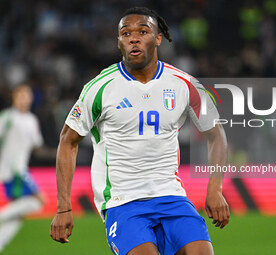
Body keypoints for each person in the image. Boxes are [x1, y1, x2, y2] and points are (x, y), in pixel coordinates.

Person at [50, 6, 229, 255]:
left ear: (157, 38)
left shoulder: (185, 85)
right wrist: (63, 207)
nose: (133, 37)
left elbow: (216, 134)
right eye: (125, 33)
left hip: (172, 196)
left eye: (143, 31)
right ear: (119, 42)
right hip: (123, 202)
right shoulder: (100, 87)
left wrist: (215, 188)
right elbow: (68, 141)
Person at [0, 85, 47, 252]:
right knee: (39, 201)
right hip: (13, 171)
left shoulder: (32, 120)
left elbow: (36, 147)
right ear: (14, 97)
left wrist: (57, 152)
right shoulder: (8, 118)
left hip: (22, 169)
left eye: (27, 95)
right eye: (20, 95)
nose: (24, 98)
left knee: (17, 216)